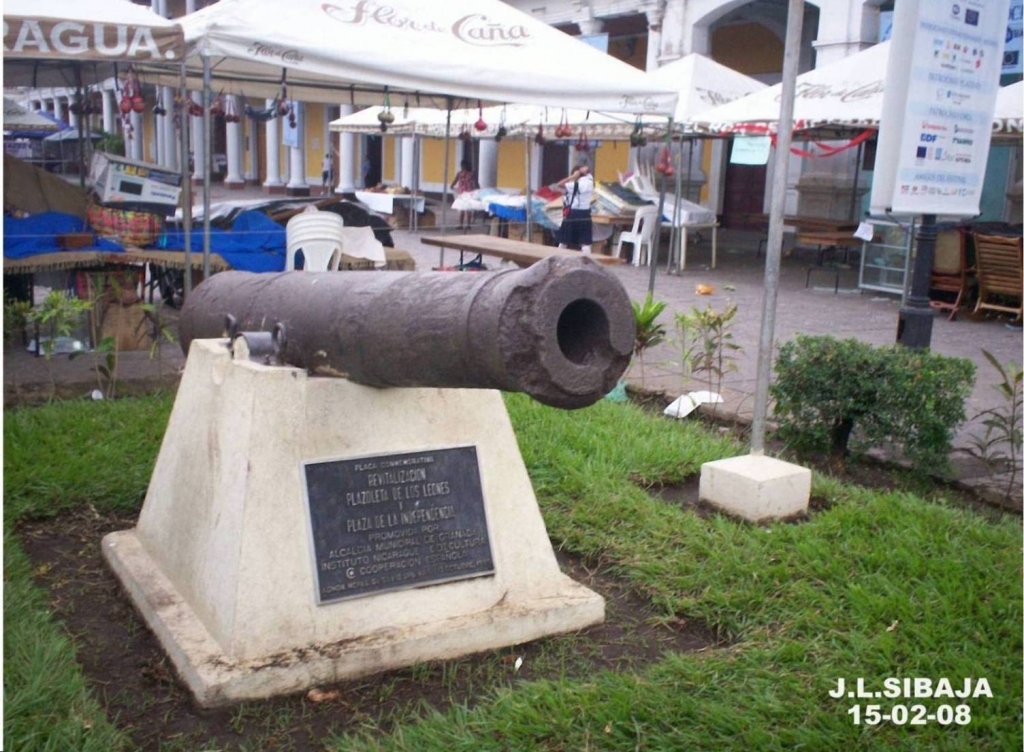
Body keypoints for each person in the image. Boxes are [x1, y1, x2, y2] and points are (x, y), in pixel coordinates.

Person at [555, 161, 594, 253]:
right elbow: (588, 173)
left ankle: (559, 256)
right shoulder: (590, 182)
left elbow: (559, 184)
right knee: (585, 242)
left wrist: (572, 177)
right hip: (585, 213)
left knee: (564, 240)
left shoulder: (575, 185)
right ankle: (587, 258)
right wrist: (583, 171)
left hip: (573, 212)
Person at [451, 159, 478, 230]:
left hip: (461, 193)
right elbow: (476, 184)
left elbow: (453, 184)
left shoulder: (459, 174)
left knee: (462, 209)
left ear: (462, 166)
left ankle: (460, 224)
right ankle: (468, 225)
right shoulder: (472, 174)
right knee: (468, 209)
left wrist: (455, 188)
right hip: (470, 193)